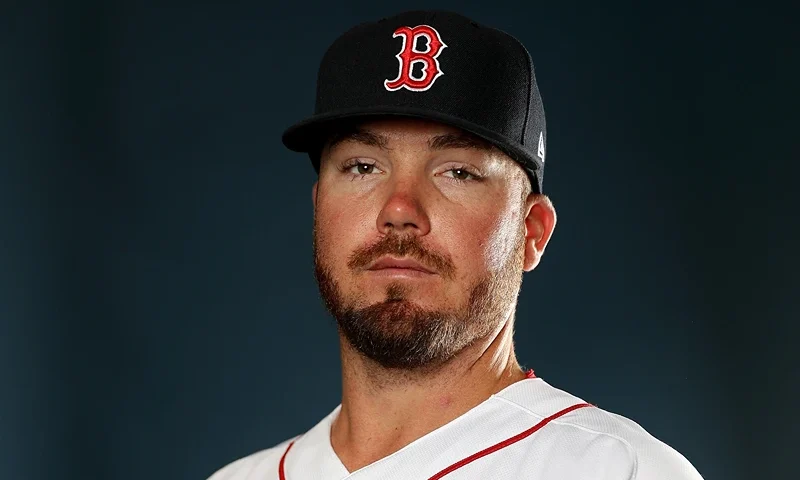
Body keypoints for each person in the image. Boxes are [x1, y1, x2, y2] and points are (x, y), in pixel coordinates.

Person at [208, 10, 704, 480]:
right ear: (319, 210)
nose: (399, 208)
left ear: (532, 232)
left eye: (457, 172)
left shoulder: (622, 470)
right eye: (362, 167)